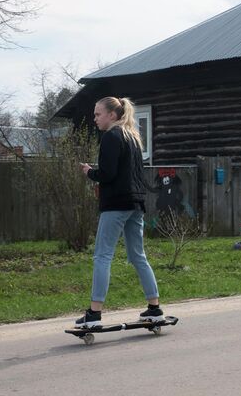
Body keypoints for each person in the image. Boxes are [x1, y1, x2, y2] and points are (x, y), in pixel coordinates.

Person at [76, 96, 164, 328]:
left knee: (102, 256)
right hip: (136, 204)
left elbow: (108, 174)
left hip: (116, 203)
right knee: (138, 256)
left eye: (98, 114)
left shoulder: (111, 137)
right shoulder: (132, 137)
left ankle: (94, 314)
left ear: (112, 115)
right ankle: (154, 309)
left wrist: (89, 172)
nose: (95, 119)